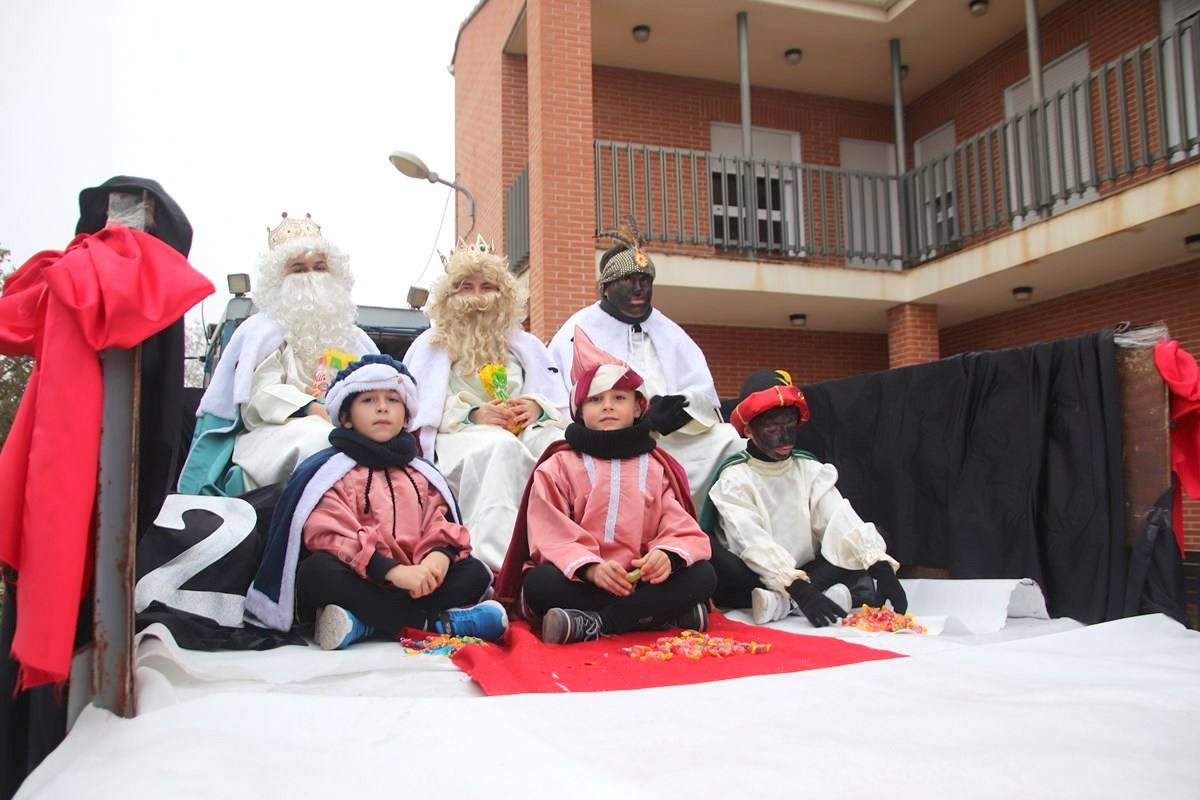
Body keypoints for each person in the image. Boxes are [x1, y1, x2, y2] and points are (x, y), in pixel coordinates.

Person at [244, 355, 507, 649]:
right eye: (368, 400)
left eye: (393, 400)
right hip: (364, 577)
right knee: (317, 572)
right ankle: (432, 623)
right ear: (346, 416)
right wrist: (393, 571)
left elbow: (440, 521)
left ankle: (366, 623)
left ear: (406, 415)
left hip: (418, 579)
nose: (382, 407)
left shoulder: (420, 472)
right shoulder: (330, 471)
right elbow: (328, 533)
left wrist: (436, 560)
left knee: (472, 571)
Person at [496, 328, 716, 644]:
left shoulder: (655, 466)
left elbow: (677, 524)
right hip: (585, 580)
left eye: (619, 398)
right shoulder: (558, 465)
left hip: (642, 579)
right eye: (595, 399)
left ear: (639, 407)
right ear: (579, 411)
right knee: (541, 584)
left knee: (703, 575)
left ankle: (597, 623)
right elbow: (549, 534)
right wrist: (592, 569)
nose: (608, 406)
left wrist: (666, 556)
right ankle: (661, 615)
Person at [548, 218, 744, 508]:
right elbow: (558, 398)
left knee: (730, 441)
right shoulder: (578, 329)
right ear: (606, 288)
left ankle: (706, 530)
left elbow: (703, 394)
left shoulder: (670, 331)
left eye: (645, 281)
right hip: (604, 439)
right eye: (628, 281)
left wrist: (679, 406)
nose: (638, 289)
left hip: (668, 438)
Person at [179, 213, 378, 496]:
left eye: (319, 267)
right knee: (319, 439)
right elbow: (260, 395)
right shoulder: (260, 332)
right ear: (281, 279)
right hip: (275, 433)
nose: (311, 276)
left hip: (348, 426)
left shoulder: (354, 340)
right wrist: (312, 409)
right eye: (299, 269)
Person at [404, 236, 568, 569]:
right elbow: (415, 405)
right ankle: (496, 566)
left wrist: (535, 406)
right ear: (449, 296)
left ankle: (563, 556)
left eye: (486, 286)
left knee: (560, 447)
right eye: (466, 287)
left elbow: (557, 401)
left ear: (504, 293)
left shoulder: (526, 345)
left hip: (522, 431)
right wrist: (473, 413)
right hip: (459, 437)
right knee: (500, 448)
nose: (478, 298)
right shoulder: (431, 345)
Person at [698, 369, 907, 627]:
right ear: (750, 430)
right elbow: (750, 540)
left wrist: (880, 568)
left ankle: (781, 604)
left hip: (807, 571)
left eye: (789, 425)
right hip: (753, 574)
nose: (785, 436)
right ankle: (813, 596)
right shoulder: (735, 477)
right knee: (710, 552)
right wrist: (797, 588)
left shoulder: (809, 470)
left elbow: (837, 517)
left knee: (871, 539)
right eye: (773, 426)